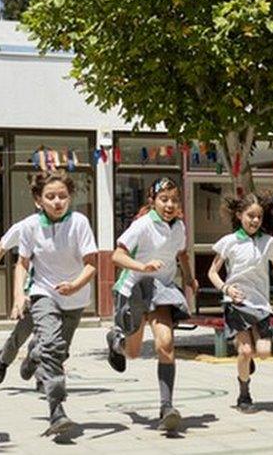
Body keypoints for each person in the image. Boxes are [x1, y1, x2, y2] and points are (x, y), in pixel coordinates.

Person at [104, 177, 198, 431]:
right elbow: (117, 256)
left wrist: (189, 278)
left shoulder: (179, 227)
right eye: (164, 199)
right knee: (133, 353)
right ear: (153, 201)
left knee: (165, 343)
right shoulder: (142, 225)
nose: (169, 205)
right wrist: (142, 266)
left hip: (162, 290)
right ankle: (116, 341)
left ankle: (167, 407)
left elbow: (181, 254)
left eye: (174, 200)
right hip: (133, 288)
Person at [13, 170, 98, 436]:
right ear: (39, 200)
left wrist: (74, 285)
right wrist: (18, 296)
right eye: (51, 196)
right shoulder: (29, 226)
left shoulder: (80, 223)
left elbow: (92, 264)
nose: (58, 201)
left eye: (63, 196)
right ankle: (56, 410)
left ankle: (33, 356)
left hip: (75, 297)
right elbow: (22, 263)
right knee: (52, 346)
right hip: (44, 293)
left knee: (58, 351)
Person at [207, 191, 273, 413]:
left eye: (258, 217)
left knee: (264, 351)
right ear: (239, 215)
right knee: (246, 351)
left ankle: (246, 362)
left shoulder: (268, 242)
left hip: (261, 305)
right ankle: (244, 394)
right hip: (236, 303)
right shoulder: (228, 242)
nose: (255, 221)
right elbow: (212, 272)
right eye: (250, 216)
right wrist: (226, 288)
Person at [0, 208, 41, 386]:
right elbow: (1, 247)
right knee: (20, 336)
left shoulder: (68, 226)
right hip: (33, 291)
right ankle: (3, 360)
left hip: (55, 292)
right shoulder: (26, 226)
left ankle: (45, 377)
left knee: (49, 337)